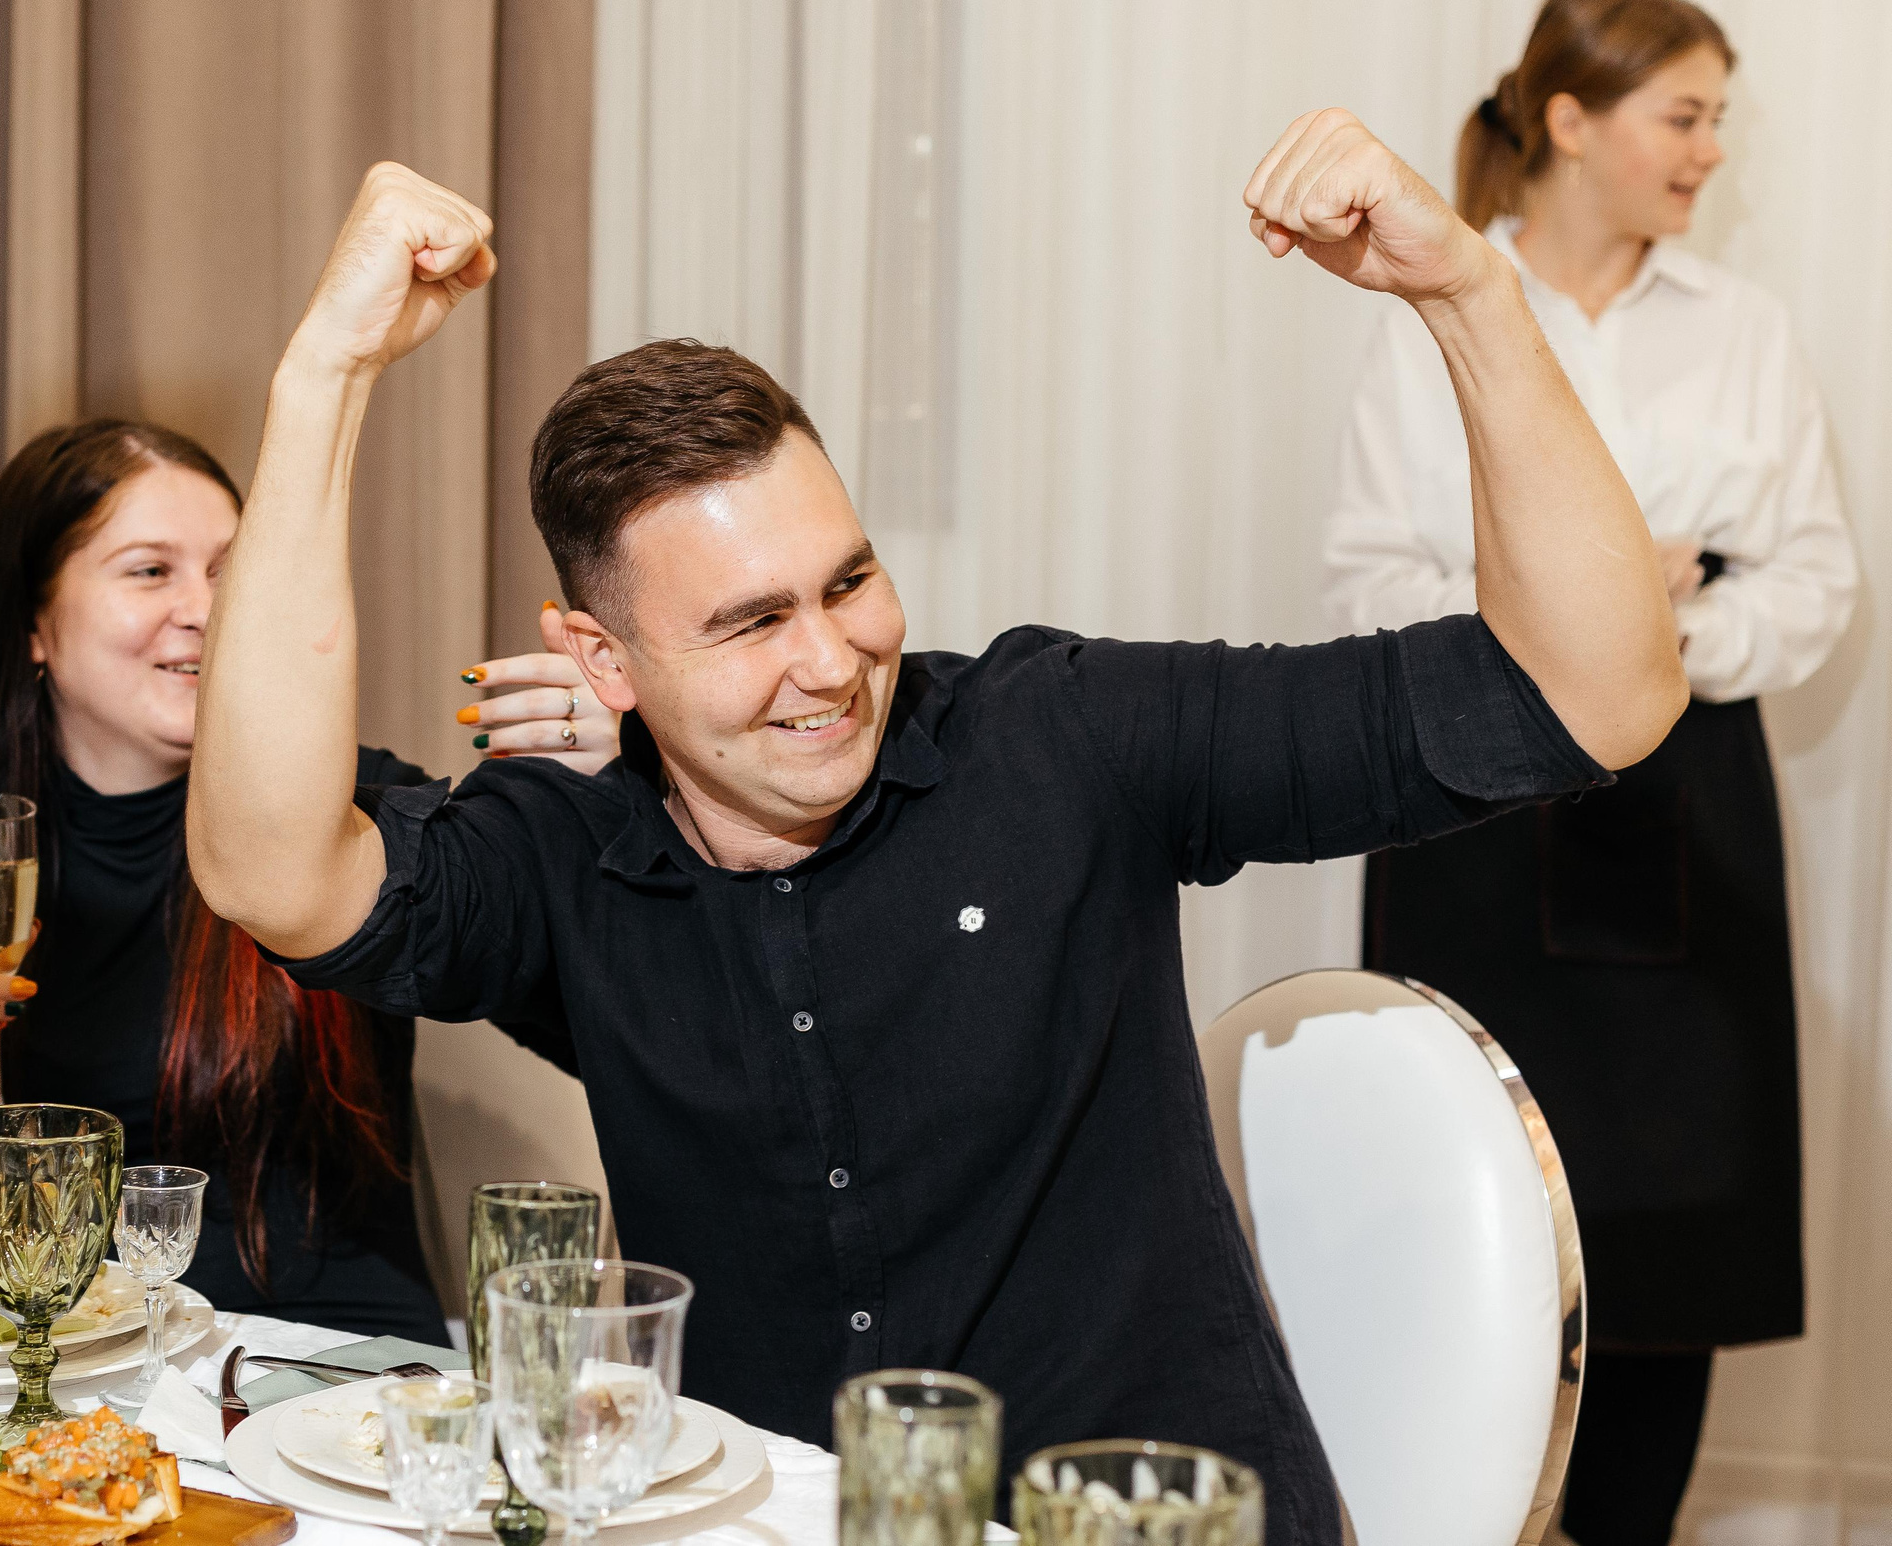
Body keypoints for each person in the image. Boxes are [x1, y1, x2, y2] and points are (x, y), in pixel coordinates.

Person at [185, 115, 1686, 1542]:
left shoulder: (1061, 738)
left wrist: (1468, 290)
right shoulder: (566, 849)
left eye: (847, 581)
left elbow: (1595, 690)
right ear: (602, 662)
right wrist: (325, 373)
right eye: (751, 621)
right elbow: (270, 864)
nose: (831, 659)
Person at [1324, 0, 1855, 1546]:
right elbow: (1365, 583)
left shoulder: (1746, 333)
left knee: (1676, 1229)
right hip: (1472, 808)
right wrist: (1617, 586)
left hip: (1697, 816)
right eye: (1683, 116)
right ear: (1571, 118)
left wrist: (1641, 631)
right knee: (1463, 1201)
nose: (1707, 153)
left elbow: (1815, 585)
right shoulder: (1440, 309)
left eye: (1717, 124)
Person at [0, 417, 616, 1340]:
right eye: (150, 570)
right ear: (33, 625)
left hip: (331, 1383)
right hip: (82, 1382)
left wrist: (629, 791)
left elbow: (612, 1034)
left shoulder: (353, 814)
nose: (205, 608)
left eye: (228, 572)